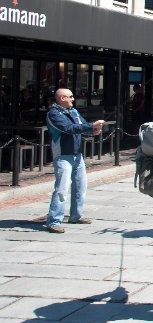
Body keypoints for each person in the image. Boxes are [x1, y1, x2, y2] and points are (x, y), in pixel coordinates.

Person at [45, 88, 104, 233]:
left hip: (77, 154)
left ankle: (76, 216)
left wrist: (92, 131)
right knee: (62, 189)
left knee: (80, 186)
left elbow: (81, 125)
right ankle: (54, 221)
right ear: (62, 98)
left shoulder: (73, 111)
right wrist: (91, 126)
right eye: (70, 96)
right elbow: (68, 128)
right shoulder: (53, 113)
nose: (73, 99)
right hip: (63, 155)